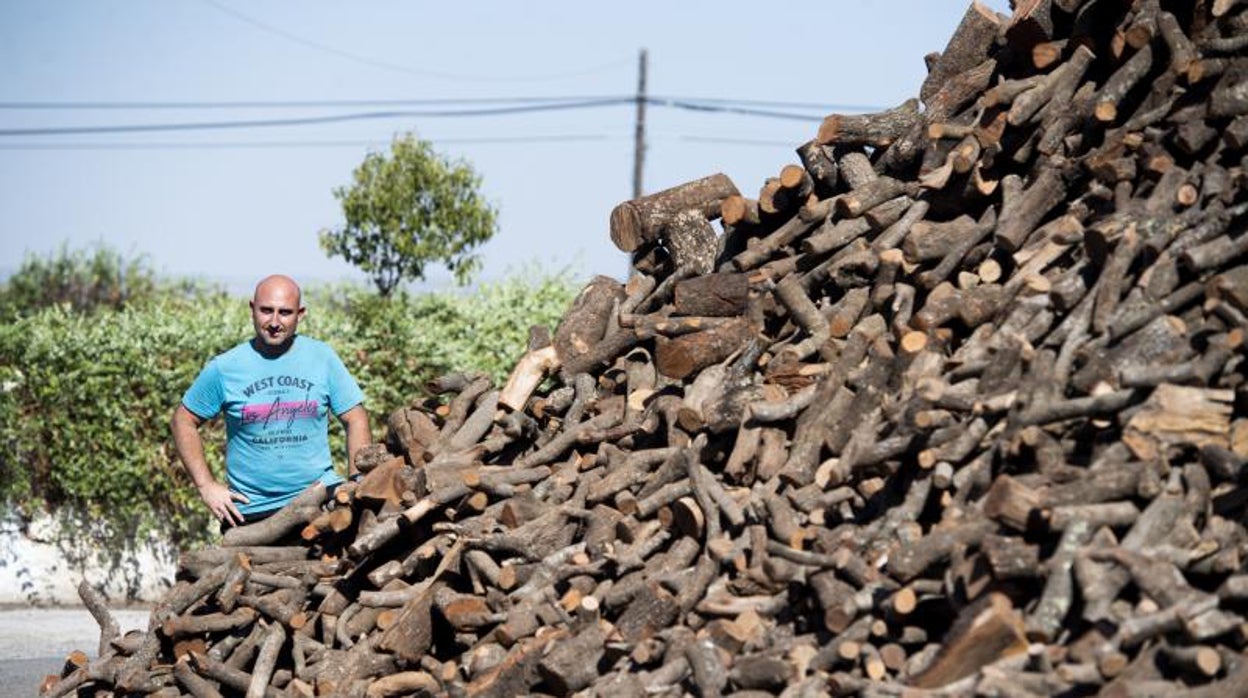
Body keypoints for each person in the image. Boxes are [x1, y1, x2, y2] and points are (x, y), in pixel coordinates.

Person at [171, 274, 371, 528]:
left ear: (300, 315)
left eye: (285, 313)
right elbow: (182, 421)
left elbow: (356, 417)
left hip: (320, 501)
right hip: (251, 512)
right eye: (267, 311)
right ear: (252, 309)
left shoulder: (322, 357)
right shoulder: (225, 367)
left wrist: (357, 480)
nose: (275, 322)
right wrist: (206, 486)